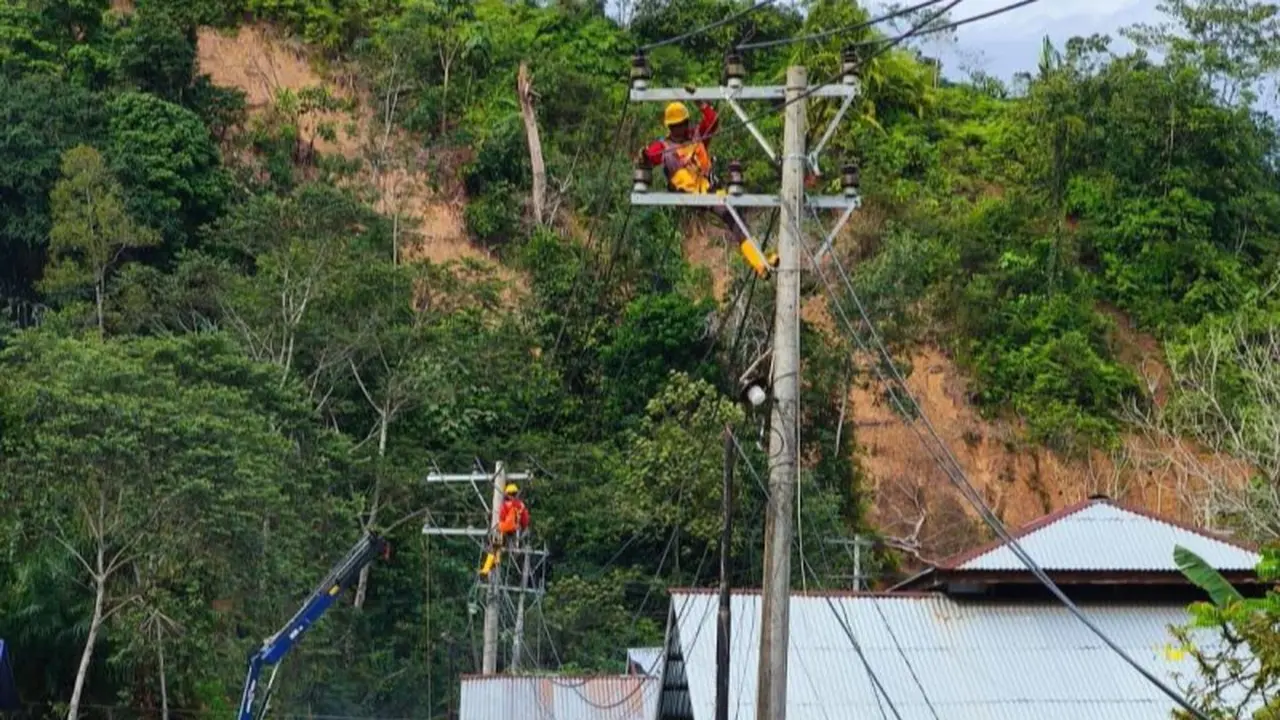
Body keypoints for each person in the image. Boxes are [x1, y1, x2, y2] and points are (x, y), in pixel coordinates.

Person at [639, 100, 777, 278]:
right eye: (676, 126)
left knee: (735, 218)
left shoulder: (697, 137)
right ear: (670, 128)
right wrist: (644, 155)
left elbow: (713, 120)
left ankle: (760, 263)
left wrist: (702, 104)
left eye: (683, 124)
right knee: (730, 213)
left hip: (709, 189)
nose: (680, 129)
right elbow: (650, 155)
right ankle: (760, 261)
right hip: (686, 194)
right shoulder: (664, 147)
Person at [478, 483, 530, 579]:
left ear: (508, 494)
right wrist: (522, 529)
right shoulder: (521, 506)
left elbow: (501, 517)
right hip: (514, 531)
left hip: (503, 530)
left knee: (493, 547)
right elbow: (525, 521)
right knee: (501, 546)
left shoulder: (506, 505)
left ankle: (486, 569)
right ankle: (496, 560)